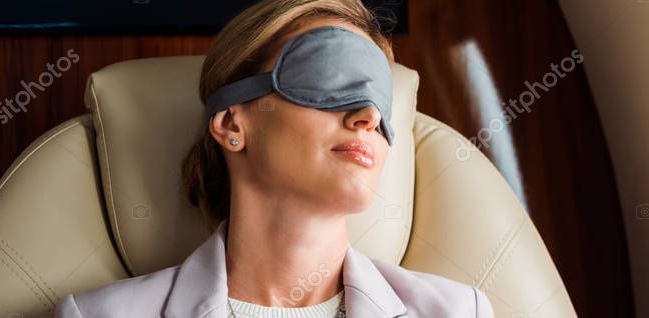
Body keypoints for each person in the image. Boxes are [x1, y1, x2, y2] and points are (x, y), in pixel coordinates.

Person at [53, 0, 495, 317]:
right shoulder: (97, 315)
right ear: (231, 124)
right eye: (331, 79)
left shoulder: (458, 312)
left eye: (380, 103)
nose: (368, 116)